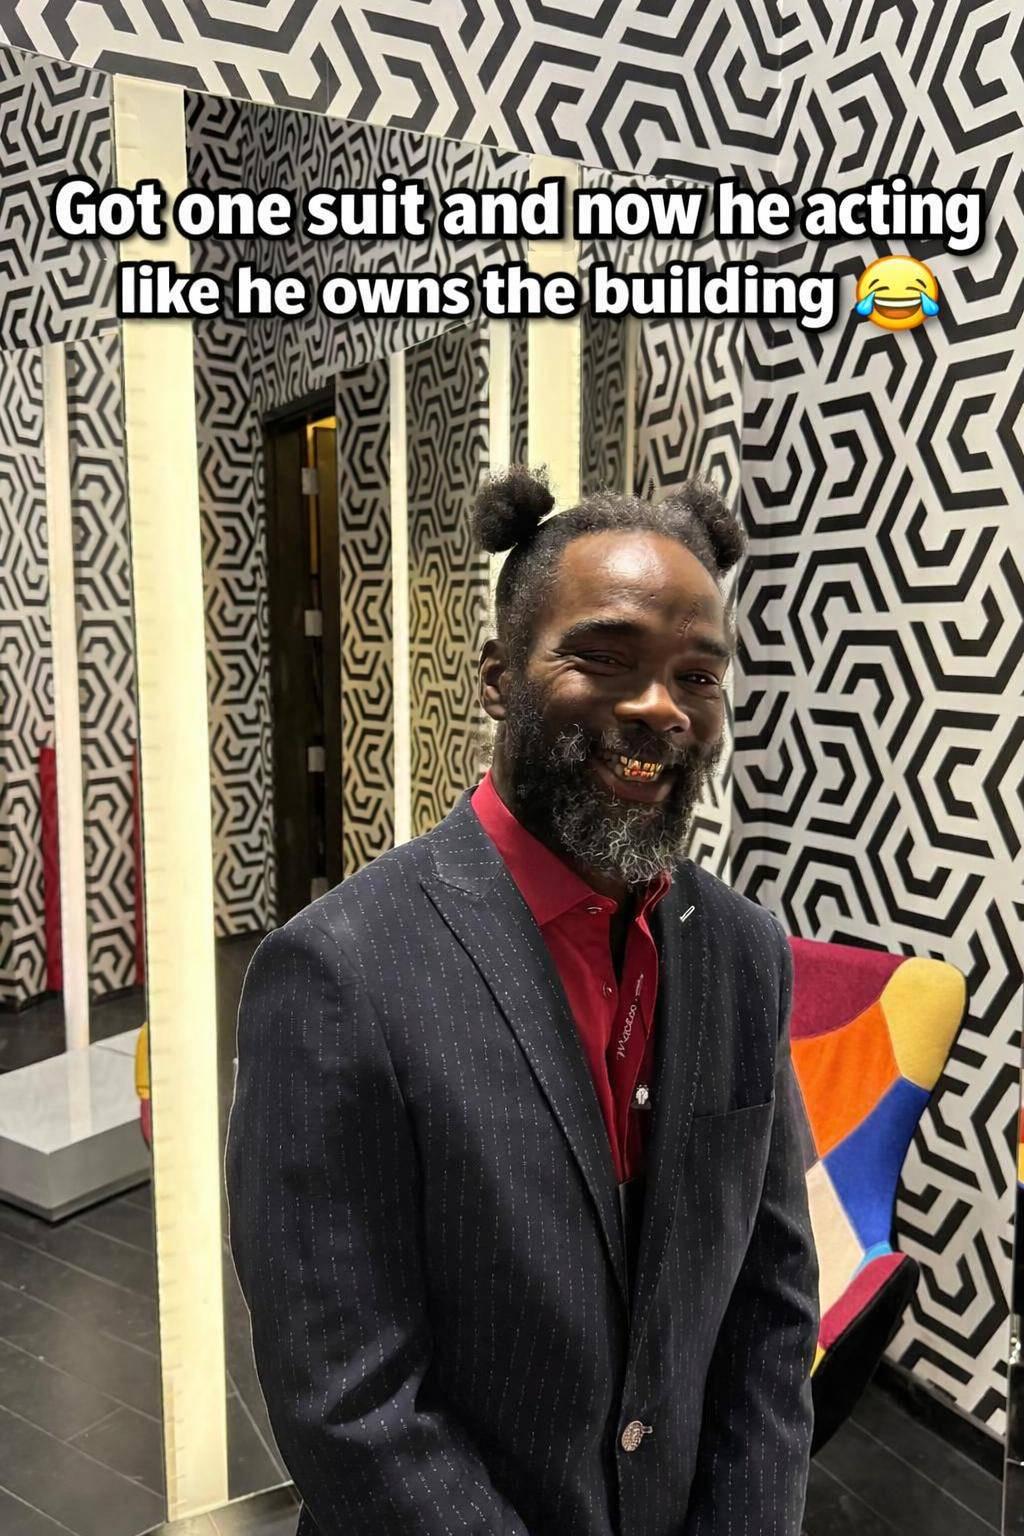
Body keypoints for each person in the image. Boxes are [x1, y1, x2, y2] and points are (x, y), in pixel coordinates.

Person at [225, 467, 820, 1536]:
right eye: (605, 657)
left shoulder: (745, 952)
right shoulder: (339, 972)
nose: (660, 706)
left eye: (697, 675)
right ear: (500, 676)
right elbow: (348, 1404)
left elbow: (770, 1308)